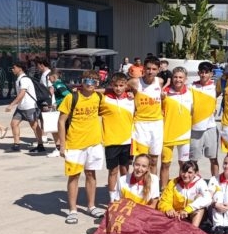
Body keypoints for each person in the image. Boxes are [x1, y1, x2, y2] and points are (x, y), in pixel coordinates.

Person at [57, 71, 105, 224]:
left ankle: (91, 206)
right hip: (75, 144)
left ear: (97, 83)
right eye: (87, 80)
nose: (90, 84)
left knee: (91, 174)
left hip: (94, 143)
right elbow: (61, 121)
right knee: (74, 177)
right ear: (82, 81)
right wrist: (62, 144)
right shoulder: (72, 97)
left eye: (94, 81)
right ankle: (72, 210)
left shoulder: (99, 97)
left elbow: (110, 93)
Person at [100, 72, 135, 203]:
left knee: (125, 170)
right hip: (111, 141)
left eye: (121, 85)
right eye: (116, 85)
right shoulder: (104, 99)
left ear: (126, 85)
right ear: (111, 86)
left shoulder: (132, 99)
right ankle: (112, 199)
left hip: (127, 141)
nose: (118, 88)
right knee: (113, 171)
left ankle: (124, 196)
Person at [128, 55, 164, 174]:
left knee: (154, 160)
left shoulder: (160, 81)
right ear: (144, 68)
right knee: (140, 161)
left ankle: (152, 187)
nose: (150, 71)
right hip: (140, 125)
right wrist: (129, 94)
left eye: (154, 69)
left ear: (158, 70)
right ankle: (138, 187)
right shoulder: (134, 82)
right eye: (148, 68)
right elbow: (117, 88)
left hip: (157, 125)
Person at [160, 66, 193, 188]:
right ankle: (163, 190)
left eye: (180, 77)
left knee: (184, 165)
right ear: (171, 78)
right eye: (175, 77)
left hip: (184, 135)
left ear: (185, 79)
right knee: (165, 165)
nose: (178, 80)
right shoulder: (164, 93)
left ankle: (181, 188)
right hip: (167, 135)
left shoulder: (191, 93)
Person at [157, 160, 211, 227]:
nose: (185, 175)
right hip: (177, 215)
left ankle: (193, 231)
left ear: (196, 173)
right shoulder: (173, 182)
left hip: (192, 214)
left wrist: (188, 209)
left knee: (199, 200)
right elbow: (164, 201)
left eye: (190, 172)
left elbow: (208, 198)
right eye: (183, 171)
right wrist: (168, 209)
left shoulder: (201, 183)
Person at [189, 61, 220, 177]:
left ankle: (215, 182)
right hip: (195, 128)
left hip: (210, 128)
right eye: (201, 72)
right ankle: (192, 181)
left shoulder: (216, 86)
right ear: (198, 73)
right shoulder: (191, 86)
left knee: (213, 158)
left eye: (206, 72)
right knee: (193, 160)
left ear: (211, 74)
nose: (203, 75)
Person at [5, 61, 43, 153]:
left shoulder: (24, 79)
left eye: (14, 67)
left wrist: (11, 104)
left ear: (20, 68)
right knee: (14, 124)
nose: (12, 69)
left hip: (29, 106)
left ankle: (40, 145)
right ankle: (16, 145)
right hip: (21, 107)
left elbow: (22, 94)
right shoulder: (19, 79)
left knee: (34, 126)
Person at [46, 69, 71, 158]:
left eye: (50, 78)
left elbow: (67, 94)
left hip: (63, 109)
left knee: (59, 128)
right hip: (62, 107)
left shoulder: (58, 84)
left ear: (54, 77)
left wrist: (60, 103)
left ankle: (60, 148)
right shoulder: (60, 83)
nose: (49, 80)